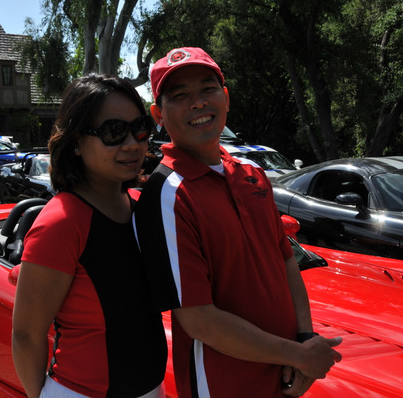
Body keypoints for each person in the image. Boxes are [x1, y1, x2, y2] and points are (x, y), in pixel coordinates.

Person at [134, 47, 342, 398]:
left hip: (283, 377)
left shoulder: (252, 174)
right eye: (180, 96)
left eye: (207, 89)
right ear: (158, 115)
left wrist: (305, 338)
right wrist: (299, 355)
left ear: (226, 98)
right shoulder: (166, 193)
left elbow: (286, 260)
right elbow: (198, 320)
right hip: (222, 385)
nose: (198, 103)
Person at [12, 73, 167, 398]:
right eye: (113, 131)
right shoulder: (61, 222)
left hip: (153, 389)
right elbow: (26, 335)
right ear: (76, 142)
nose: (132, 143)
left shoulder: (142, 206)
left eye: (140, 128)